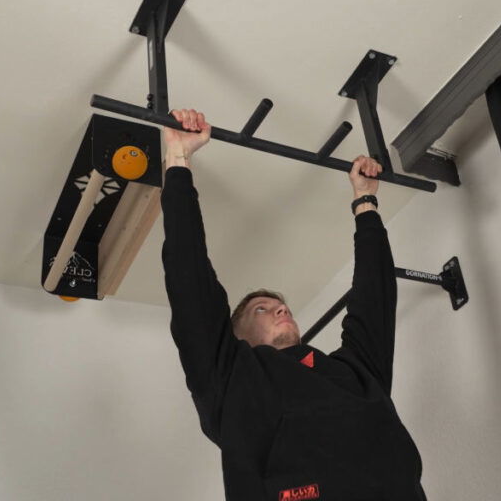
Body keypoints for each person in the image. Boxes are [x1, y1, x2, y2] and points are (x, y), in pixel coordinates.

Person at [161, 108, 427, 501]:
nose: (280, 309)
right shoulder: (229, 379)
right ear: (238, 338)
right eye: (261, 309)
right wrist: (177, 162)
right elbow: (190, 280)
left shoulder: (354, 373)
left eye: (280, 305)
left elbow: (375, 300)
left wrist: (365, 203)